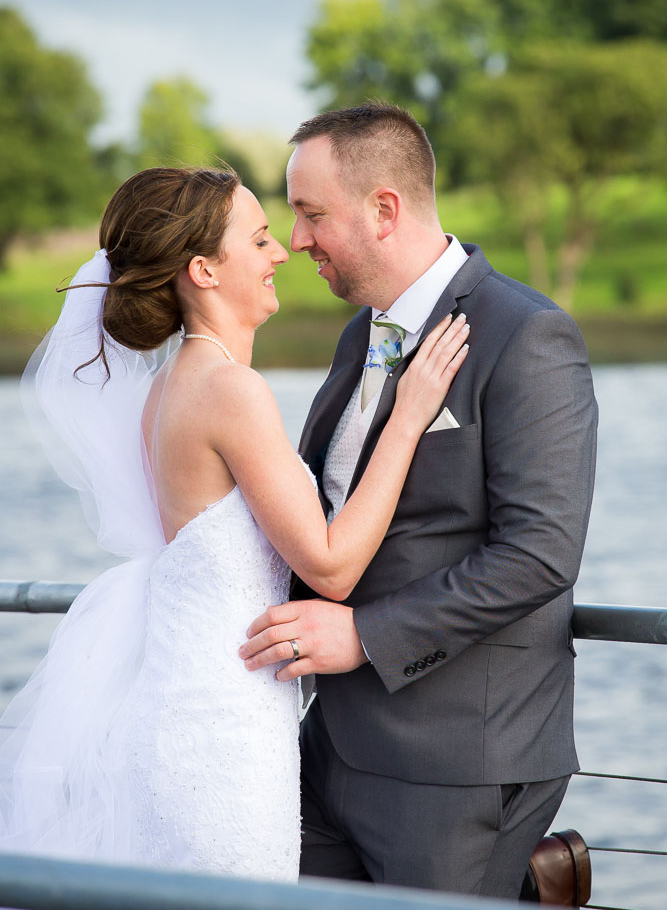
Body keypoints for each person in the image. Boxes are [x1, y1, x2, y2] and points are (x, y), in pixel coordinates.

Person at [0, 166, 469, 880]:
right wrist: (406, 416)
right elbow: (331, 563)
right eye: (256, 240)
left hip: (199, 709)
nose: (280, 250)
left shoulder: (170, 387)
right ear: (203, 271)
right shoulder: (227, 389)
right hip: (222, 732)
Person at [240, 103, 598, 899]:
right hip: (325, 743)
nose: (296, 239)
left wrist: (364, 635)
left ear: (384, 210)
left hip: (456, 765)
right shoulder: (360, 334)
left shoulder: (525, 335)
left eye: (309, 213)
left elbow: (539, 554)